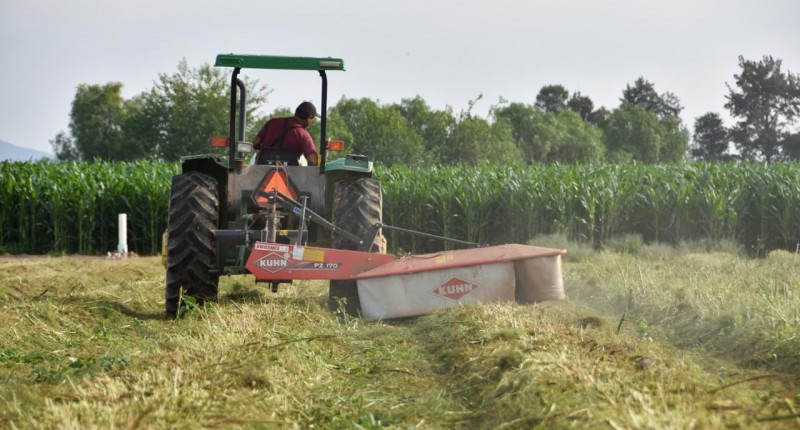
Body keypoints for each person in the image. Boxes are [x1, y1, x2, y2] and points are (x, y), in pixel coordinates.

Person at [253, 101, 319, 166]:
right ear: (309, 118)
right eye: (312, 119)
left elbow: (255, 143)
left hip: (262, 169)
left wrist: (262, 151)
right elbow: (312, 161)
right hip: (289, 173)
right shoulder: (303, 134)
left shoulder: (272, 122)